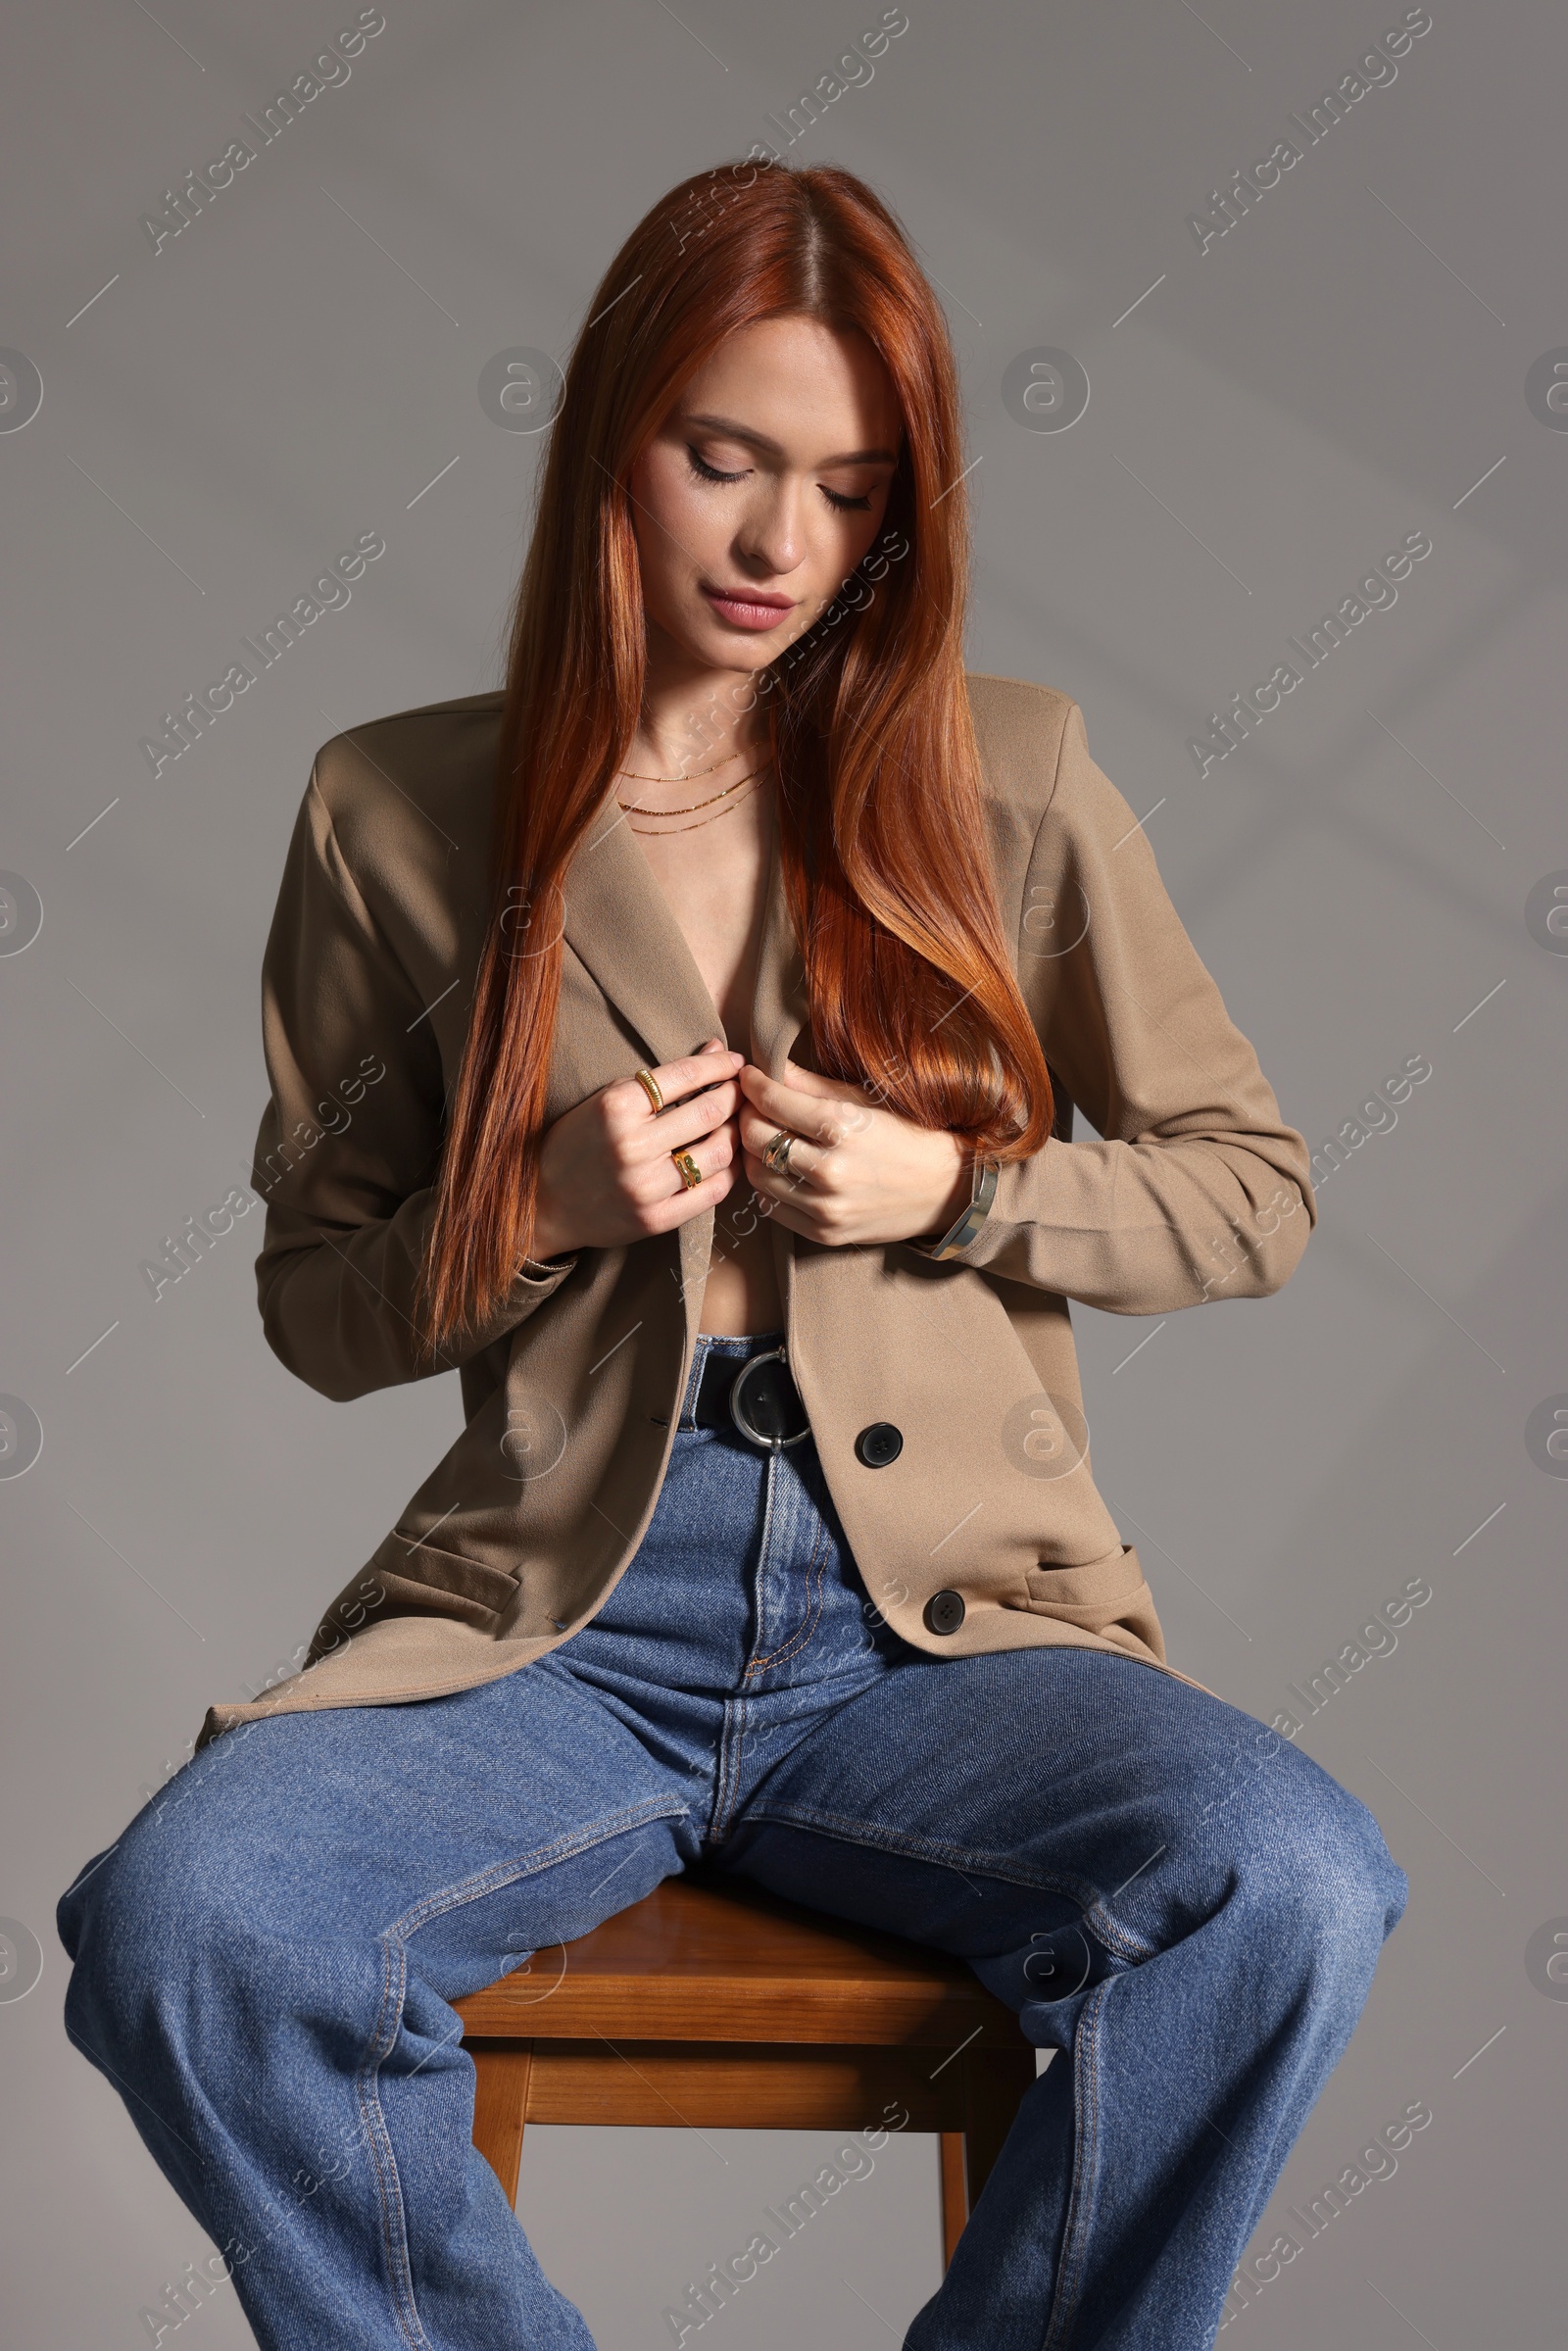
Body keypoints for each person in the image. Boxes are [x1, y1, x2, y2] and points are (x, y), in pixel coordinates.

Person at [58, 159, 1405, 2351]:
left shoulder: (1012, 781)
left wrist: (954, 1193)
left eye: (849, 489)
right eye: (725, 460)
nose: (782, 544)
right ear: (614, 441)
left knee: (1287, 1882)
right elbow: (318, 1309)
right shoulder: (397, 812)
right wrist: (536, 1208)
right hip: (555, 1633)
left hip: (941, 1641)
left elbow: (1247, 1184)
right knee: (191, 1927)